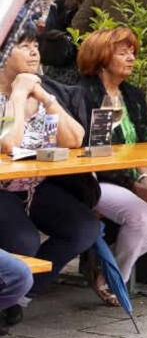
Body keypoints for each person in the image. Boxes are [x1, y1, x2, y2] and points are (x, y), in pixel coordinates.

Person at [70, 27, 147, 298]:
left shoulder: (132, 95)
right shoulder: (83, 93)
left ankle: (107, 264)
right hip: (94, 178)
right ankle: (116, 279)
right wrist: (135, 186)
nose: (131, 58)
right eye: (123, 53)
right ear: (101, 57)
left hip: (135, 175)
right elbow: (90, 152)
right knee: (142, 215)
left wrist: (146, 178)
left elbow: (145, 144)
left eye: (132, 53)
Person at [0, 27, 96, 303]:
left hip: (34, 185)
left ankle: (21, 297)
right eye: (24, 46)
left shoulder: (40, 93)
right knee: (24, 241)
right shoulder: (10, 96)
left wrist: (45, 98)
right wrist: (18, 96)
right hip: (2, 188)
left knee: (83, 228)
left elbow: (76, 138)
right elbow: (8, 144)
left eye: (35, 46)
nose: (34, 52)